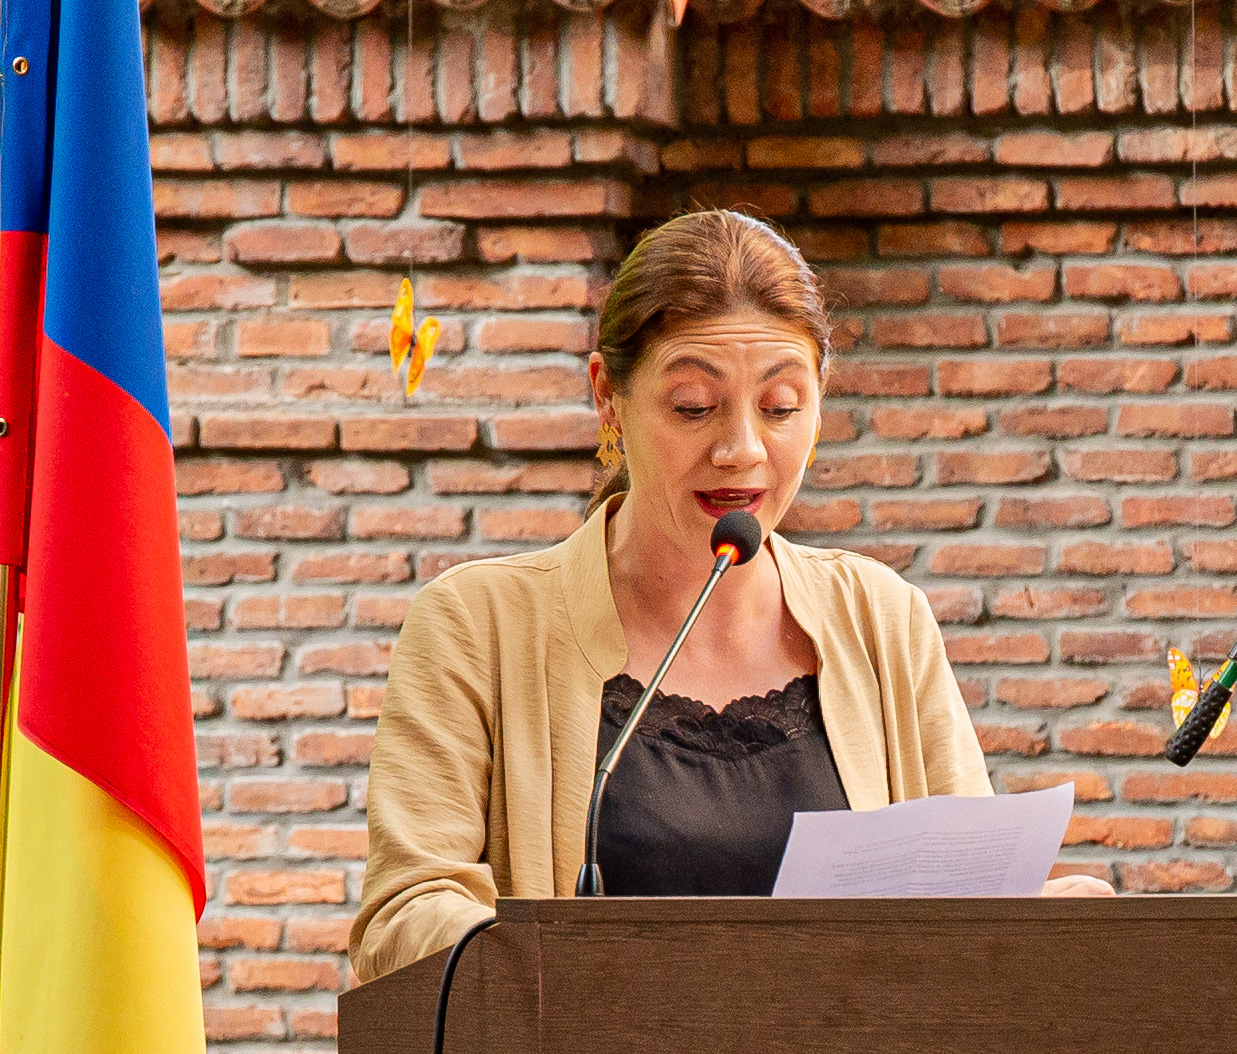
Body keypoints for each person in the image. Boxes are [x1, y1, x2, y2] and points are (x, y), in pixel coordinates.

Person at [349, 209, 1112, 983]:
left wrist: (1029, 922)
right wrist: (591, 970)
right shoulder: (477, 625)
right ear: (607, 396)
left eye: (780, 408)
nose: (741, 448)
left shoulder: (881, 616)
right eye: (692, 406)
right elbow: (406, 914)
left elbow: (958, 906)